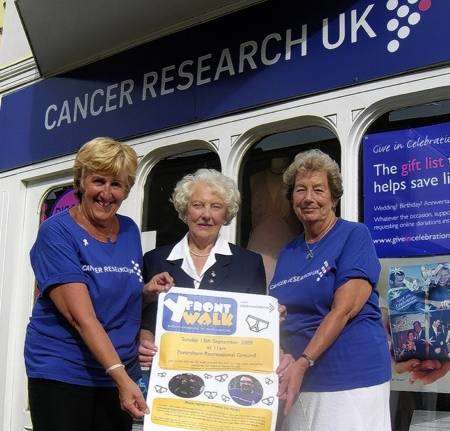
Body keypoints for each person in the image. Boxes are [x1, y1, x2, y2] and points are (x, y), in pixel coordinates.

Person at [24, 137, 162, 431]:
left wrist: (146, 292)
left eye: (117, 184)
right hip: (65, 373)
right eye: (99, 181)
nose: (107, 193)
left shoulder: (128, 230)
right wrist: (122, 378)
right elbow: (81, 316)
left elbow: (112, 296)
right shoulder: (57, 232)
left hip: (116, 372)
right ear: (81, 182)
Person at [270, 149, 391, 430]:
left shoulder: (354, 235)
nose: (309, 198)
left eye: (318, 189)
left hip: (349, 377)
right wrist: (283, 347)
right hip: (298, 379)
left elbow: (344, 309)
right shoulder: (289, 251)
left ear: (334, 197)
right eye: (300, 190)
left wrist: (303, 362)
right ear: (292, 200)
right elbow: (279, 309)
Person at [139, 168, 267, 365]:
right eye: (198, 205)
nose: (206, 215)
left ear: (226, 214)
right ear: (185, 209)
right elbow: (144, 319)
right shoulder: (155, 260)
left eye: (215, 206)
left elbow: (256, 327)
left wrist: (270, 316)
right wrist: (143, 340)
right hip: (166, 373)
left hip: (223, 376)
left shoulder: (249, 264)